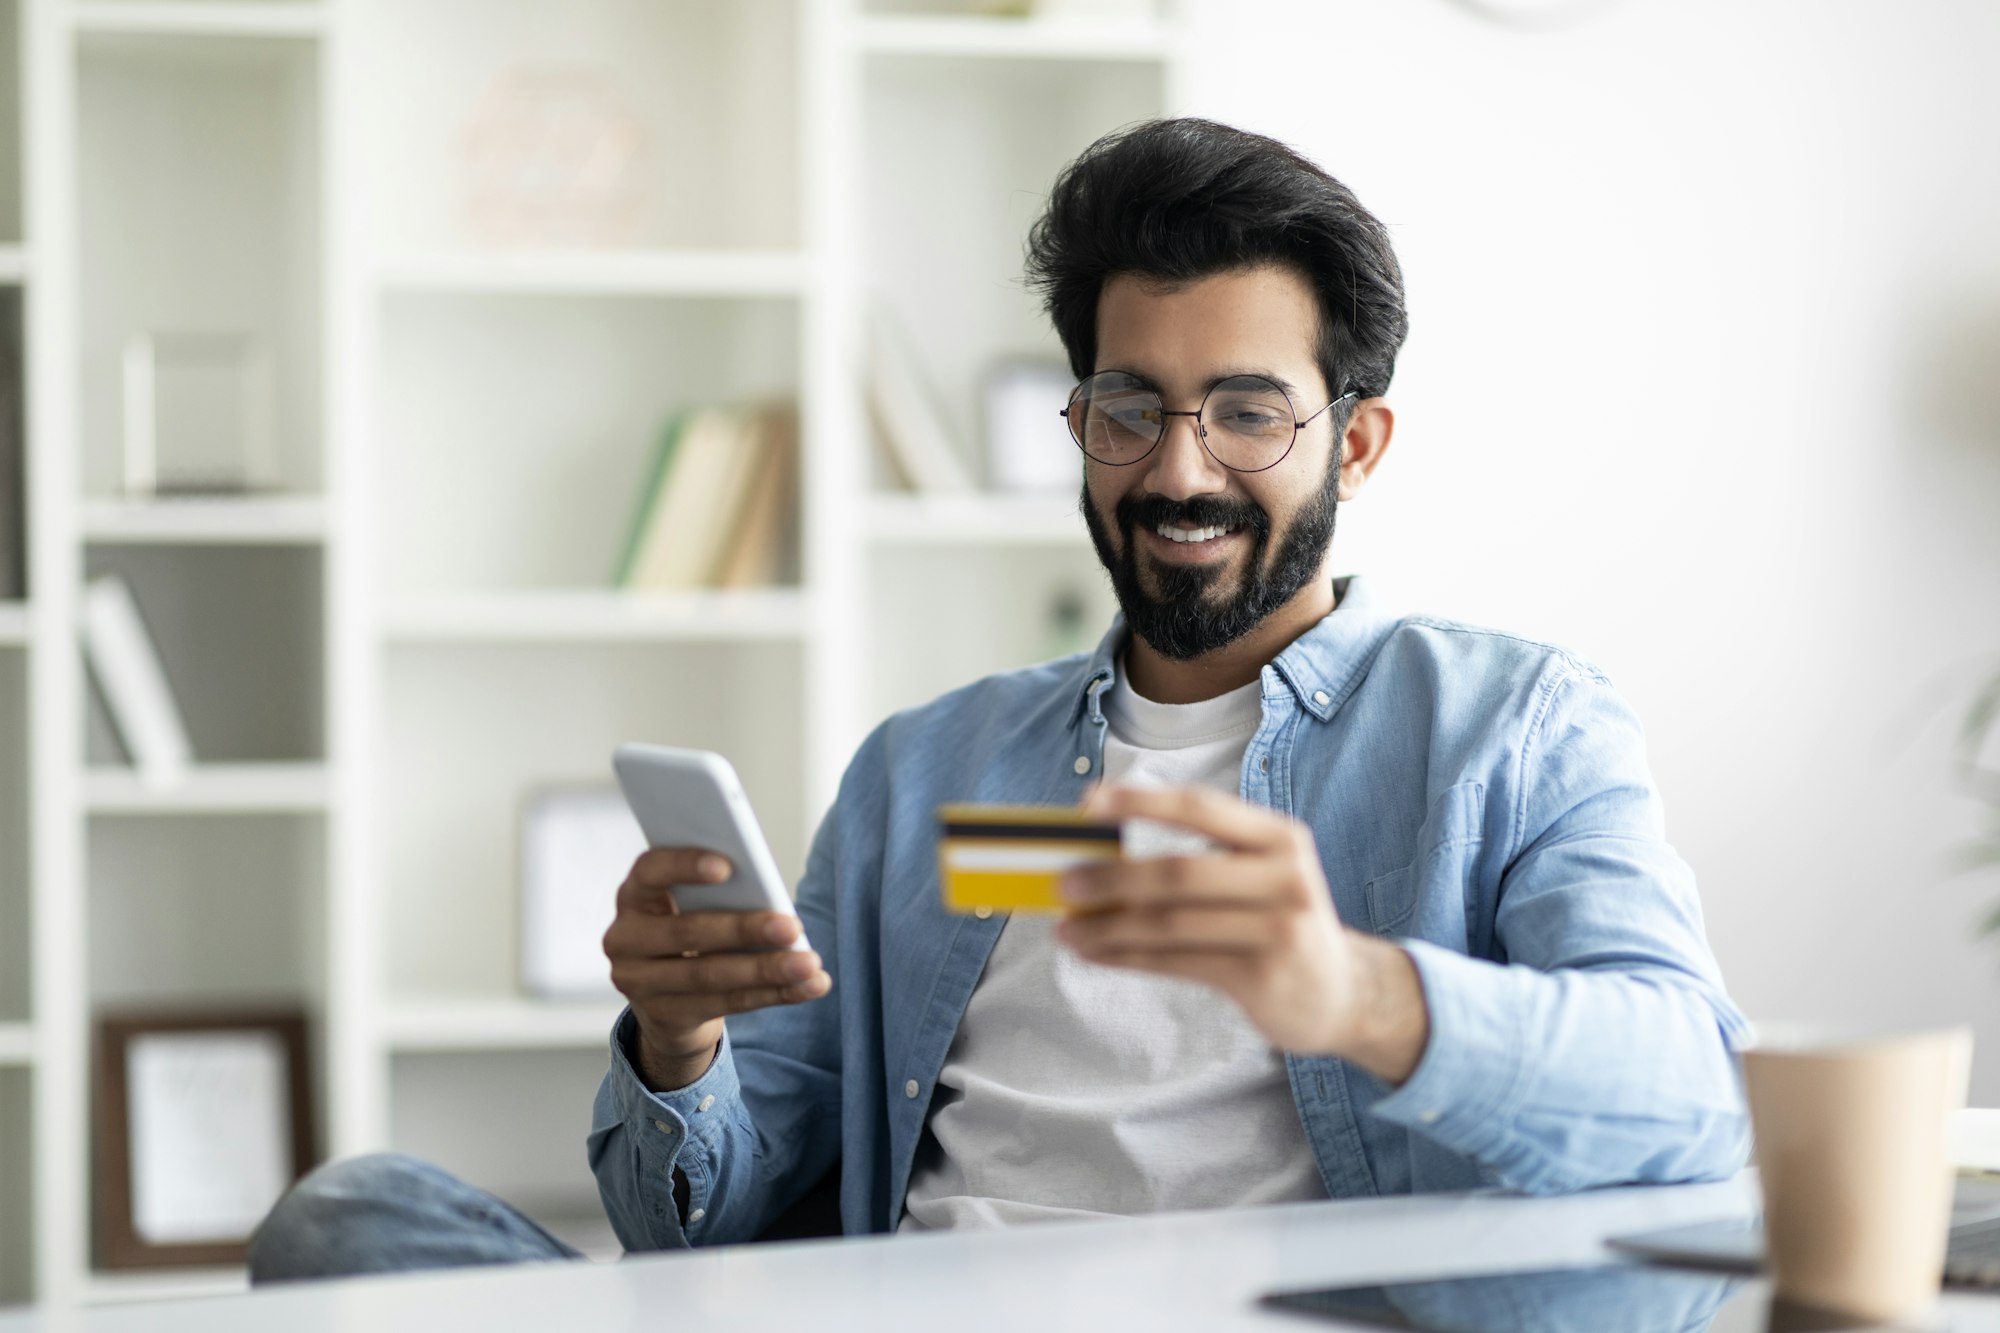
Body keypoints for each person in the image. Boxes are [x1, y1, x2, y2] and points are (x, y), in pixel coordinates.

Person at [249, 117, 1747, 1280]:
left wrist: (1356, 993)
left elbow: (1694, 1096)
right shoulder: (928, 769)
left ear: (1355, 444)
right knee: (353, 1219)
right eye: (1128, 407)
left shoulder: (1516, 725)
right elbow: (685, 1234)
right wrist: (675, 1047)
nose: (1177, 468)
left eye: (1245, 411)